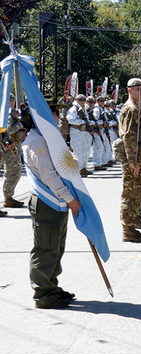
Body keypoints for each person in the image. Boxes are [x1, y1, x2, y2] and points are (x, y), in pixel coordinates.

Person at [22, 95, 81, 309]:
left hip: (56, 201)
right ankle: (44, 293)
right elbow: (50, 176)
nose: (58, 116)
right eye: (55, 112)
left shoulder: (48, 137)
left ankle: (51, 286)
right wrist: (71, 199)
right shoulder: (36, 141)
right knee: (46, 248)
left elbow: (67, 163)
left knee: (56, 246)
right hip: (47, 201)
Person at [118, 78, 141, 243]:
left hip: (140, 157)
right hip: (134, 159)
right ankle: (128, 229)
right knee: (131, 193)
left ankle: (134, 221)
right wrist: (132, 161)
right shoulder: (131, 109)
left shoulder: (136, 108)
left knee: (137, 192)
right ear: (129, 91)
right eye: (138, 89)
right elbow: (129, 137)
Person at [2, 93, 25, 209]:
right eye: (12, 100)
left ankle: (9, 197)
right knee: (12, 172)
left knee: (15, 171)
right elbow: (9, 130)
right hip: (9, 147)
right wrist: (19, 124)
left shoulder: (12, 112)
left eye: (14, 100)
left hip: (14, 145)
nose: (13, 102)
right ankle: (8, 198)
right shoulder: (6, 114)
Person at [66, 94, 92, 177]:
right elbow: (70, 120)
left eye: (84, 100)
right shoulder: (73, 109)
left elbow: (87, 119)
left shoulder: (83, 109)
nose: (83, 102)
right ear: (77, 101)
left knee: (85, 151)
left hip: (83, 132)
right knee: (78, 151)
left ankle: (83, 167)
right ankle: (78, 169)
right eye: (81, 100)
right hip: (76, 132)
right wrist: (81, 122)